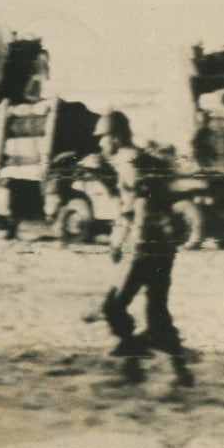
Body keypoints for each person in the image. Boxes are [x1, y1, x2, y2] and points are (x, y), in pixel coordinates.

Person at [89, 111, 193, 387]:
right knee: (157, 312)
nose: (100, 143)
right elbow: (132, 201)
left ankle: (133, 356)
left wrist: (132, 245)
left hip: (144, 246)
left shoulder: (128, 161)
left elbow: (141, 203)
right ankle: (179, 371)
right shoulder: (139, 158)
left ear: (116, 137)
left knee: (113, 306)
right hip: (163, 248)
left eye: (103, 138)